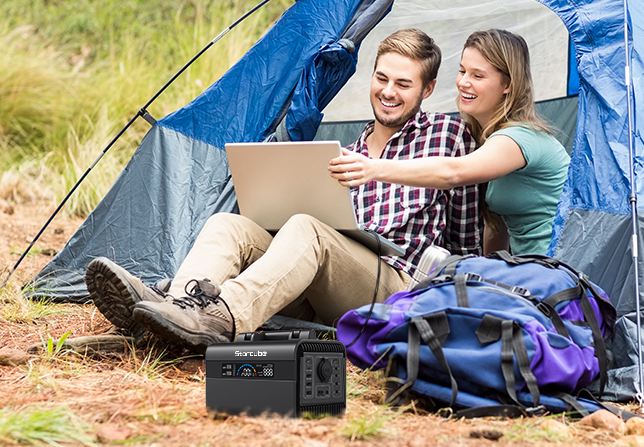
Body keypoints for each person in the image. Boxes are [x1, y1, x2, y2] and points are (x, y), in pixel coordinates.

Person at [86, 28, 481, 353]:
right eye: (381, 78)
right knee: (230, 225)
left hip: (394, 291)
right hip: (319, 285)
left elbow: (467, 240)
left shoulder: (448, 136)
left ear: (427, 90)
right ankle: (176, 311)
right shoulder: (348, 151)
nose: (388, 92)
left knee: (308, 228)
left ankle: (218, 318)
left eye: (403, 84)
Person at [329, 29, 569, 256]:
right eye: (462, 71)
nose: (463, 82)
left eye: (477, 75)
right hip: (528, 272)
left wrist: (373, 168)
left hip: (563, 268)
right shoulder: (485, 143)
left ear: (508, 85)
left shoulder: (520, 137)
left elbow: (453, 172)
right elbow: (496, 228)